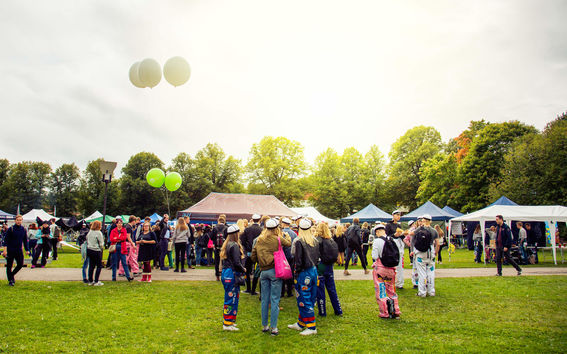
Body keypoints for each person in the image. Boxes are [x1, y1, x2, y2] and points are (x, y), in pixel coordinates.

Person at [250, 218, 291, 336]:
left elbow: (253, 256)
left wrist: (260, 260)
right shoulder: (278, 239)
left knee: (264, 299)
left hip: (263, 271)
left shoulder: (259, 240)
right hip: (275, 271)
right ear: (276, 228)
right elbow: (288, 243)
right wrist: (286, 236)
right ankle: (274, 327)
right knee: (274, 299)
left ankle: (264, 325)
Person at [288, 219, 319, 335]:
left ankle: (311, 326)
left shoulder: (299, 241)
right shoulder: (315, 240)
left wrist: (295, 273)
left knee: (304, 298)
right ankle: (301, 322)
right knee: (309, 297)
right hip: (313, 270)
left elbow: (297, 259)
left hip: (304, 272)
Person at [371, 224, 401, 319]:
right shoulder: (391, 240)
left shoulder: (377, 241)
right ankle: (396, 310)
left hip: (380, 268)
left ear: (377, 232)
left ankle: (384, 312)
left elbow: (375, 256)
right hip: (391, 269)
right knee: (391, 290)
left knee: (381, 290)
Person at [221, 225, 246, 331]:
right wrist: (243, 269)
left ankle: (229, 320)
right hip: (232, 273)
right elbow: (236, 262)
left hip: (226, 273)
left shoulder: (226, 244)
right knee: (231, 298)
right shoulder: (234, 245)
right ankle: (227, 323)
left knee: (230, 297)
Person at [315, 222, 343, 317]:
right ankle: (338, 310)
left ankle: (322, 312)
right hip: (330, 265)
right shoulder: (331, 240)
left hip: (321, 265)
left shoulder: (317, 241)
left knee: (320, 290)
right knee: (332, 289)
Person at [411, 214, 439, 297]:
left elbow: (411, 234)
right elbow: (437, 243)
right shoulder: (434, 231)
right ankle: (431, 291)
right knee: (431, 272)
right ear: (430, 221)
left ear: (423, 220)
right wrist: (436, 253)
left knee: (421, 272)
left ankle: (422, 292)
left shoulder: (419, 229)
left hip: (420, 252)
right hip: (430, 251)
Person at [2, 215, 30, 286]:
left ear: (22, 221)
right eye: (17, 220)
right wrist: (5, 251)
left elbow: (25, 240)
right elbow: (6, 241)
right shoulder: (11, 229)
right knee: (9, 266)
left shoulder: (23, 229)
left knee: (20, 264)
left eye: (20, 220)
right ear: (15, 220)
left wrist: (27, 250)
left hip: (19, 250)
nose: (19, 221)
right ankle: (11, 280)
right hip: (10, 250)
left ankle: (11, 275)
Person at [240, 214, 263, 293]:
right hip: (258, 253)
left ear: (252, 220)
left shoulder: (247, 229)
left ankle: (248, 288)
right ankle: (253, 289)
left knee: (247, 270)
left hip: (249, 252)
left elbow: (242, 240)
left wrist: (247, 248)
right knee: (257, 271)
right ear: (259, 220)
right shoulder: (261, 229)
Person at [280, 217, 297, 298]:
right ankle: (290, 291)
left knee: (282, 273)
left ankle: (282, 292)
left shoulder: (281, 233)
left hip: (283, 256)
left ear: (283, 224)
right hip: (291, 256)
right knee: (290, 273)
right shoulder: (294, 233)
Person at [86, 221, 105, 286]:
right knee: (99, 266)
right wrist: (101, 247)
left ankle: (90, 280)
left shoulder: (90, 232)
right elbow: (101, 243)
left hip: (89, 249)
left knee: (91, 266)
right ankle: (96, 280)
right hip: (96, 250)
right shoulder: (99, 233)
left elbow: (87, 238)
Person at [211, 215, 228, 281]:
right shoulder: (226, 228)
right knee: (224, 261)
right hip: (224, 247)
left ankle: (217, 275)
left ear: (218, 221)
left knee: (217, 261)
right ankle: (223, 275)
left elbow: (211, 237)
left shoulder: (215, 228)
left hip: (217, 246)